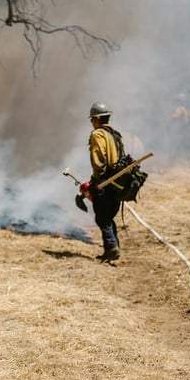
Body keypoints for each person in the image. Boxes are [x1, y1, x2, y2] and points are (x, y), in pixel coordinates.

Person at [87, 102, 124, 261]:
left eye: (91, 120)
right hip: (118, 182)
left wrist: (96, 180)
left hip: (105, 182)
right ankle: (112, 247)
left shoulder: (98, 135)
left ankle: (111, 247)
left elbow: (99, 160)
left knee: (102, 217)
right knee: (108, 217)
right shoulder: (115, 134)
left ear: (95, 119)